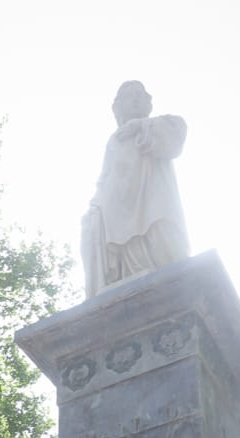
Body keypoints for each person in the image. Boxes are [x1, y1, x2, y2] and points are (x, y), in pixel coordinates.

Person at [80, 82, 189, 298]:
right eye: (129, 96)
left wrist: (140, 126)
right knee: (114, 240)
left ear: (148, 103)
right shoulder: (114, 140)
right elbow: (105, 178)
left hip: (152, 202)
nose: (135, 100)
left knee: (163, 241)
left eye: (139, 95)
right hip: (117, 209)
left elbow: (176, 136)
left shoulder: (157, 126)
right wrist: (96, 206)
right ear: (117, 107)